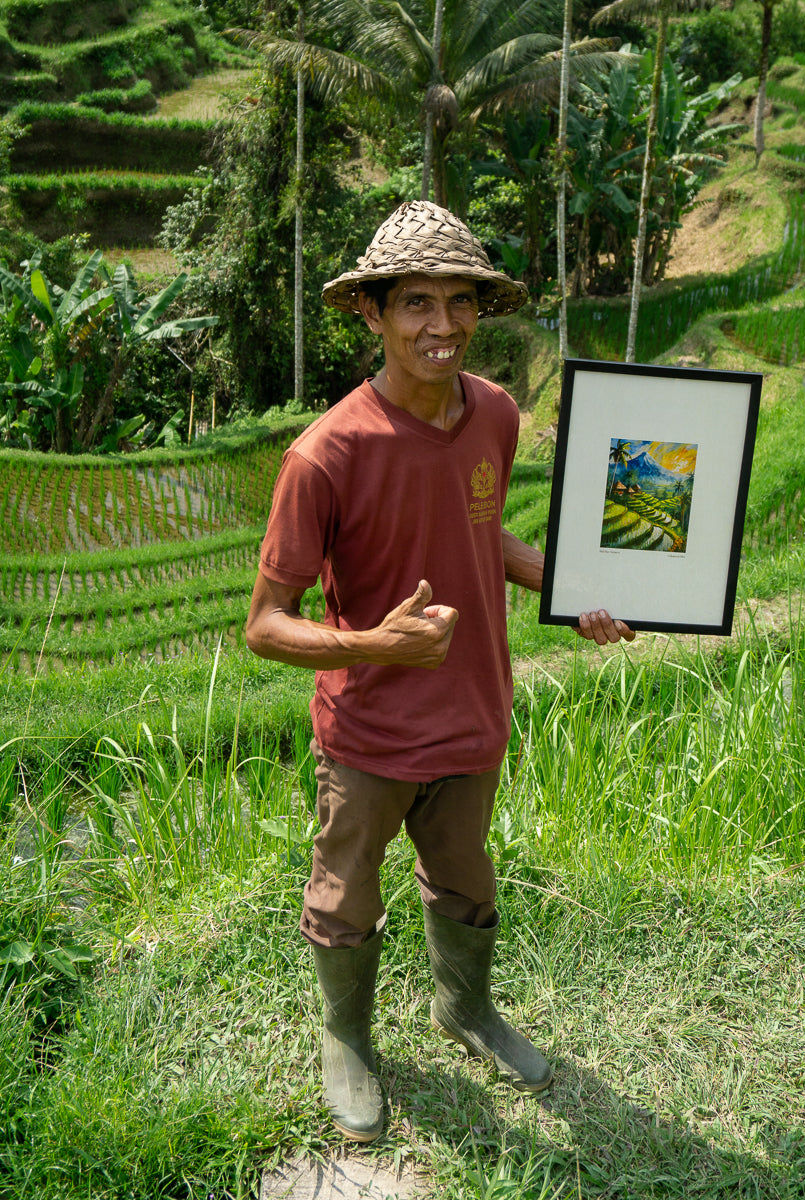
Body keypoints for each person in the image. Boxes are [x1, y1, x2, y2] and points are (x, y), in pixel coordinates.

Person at [245, 200, 634, 1143]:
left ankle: (464, 1009)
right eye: (416, 302)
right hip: (371, 732)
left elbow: (477, 530)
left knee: (465, 876)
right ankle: (347, 1039)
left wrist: (566, 586)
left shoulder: (493, 412)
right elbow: (265, 625)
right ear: (372, 313)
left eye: (461, 302)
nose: (442, 325)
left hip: (474, 714)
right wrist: (378, 645)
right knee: (347, 889)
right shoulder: (326, 453)